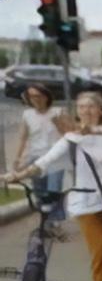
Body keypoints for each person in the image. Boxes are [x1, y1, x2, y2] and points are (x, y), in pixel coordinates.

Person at [3, 92, 102, 281]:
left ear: (100, 110)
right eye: (81, 107)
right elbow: (45, 162)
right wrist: (17, 175)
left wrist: (93, 131)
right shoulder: (70, 140)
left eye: (91, 106)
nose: (86, 110)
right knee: (100, 252)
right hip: (85, 203)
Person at [11, 84, 65, 232]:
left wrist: (58, 123)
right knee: (40, 190)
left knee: (54, 189)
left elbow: (67, 133)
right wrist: (17, 158)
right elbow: (23, 137)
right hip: (35, 157)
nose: (36, 99)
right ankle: (45, 218)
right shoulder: (27, 114)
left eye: (38, 96)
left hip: (55, 157)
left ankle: (55, 221)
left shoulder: (57, 112)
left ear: (46, 96)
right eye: (32, 96)